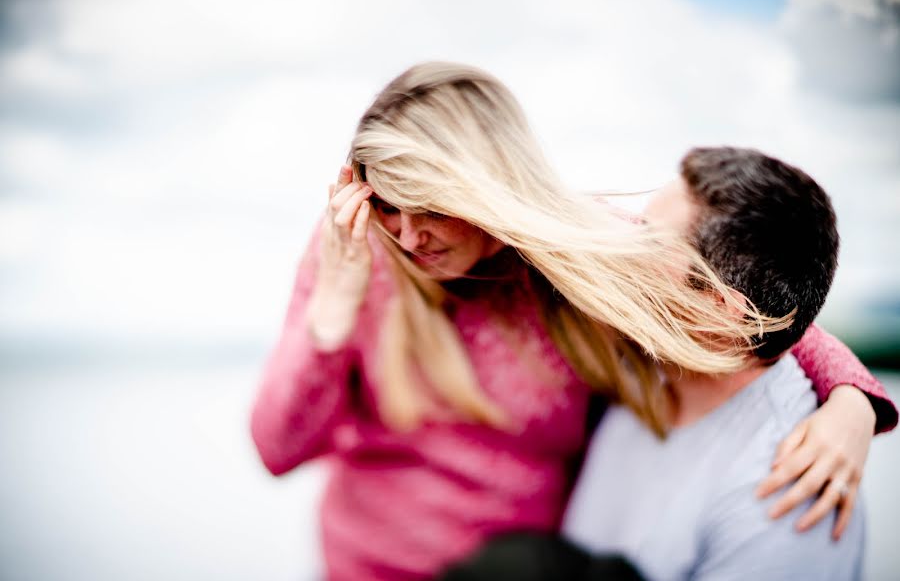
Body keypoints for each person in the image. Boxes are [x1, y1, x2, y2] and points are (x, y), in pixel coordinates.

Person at [249, 63, 896, 581]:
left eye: (431, 207)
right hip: (361, 569)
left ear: (488, 187)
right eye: (389, 203)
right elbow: (277, 450)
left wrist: (852, 401)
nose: (409, 236)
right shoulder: (355, 254)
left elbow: (745, 305)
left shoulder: (569, 250)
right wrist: (331, 311)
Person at [441, 147, 870, 581]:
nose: (622, 248)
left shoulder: (785, 498)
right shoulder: (653, 360)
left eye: (649, 241)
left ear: (717, 308)